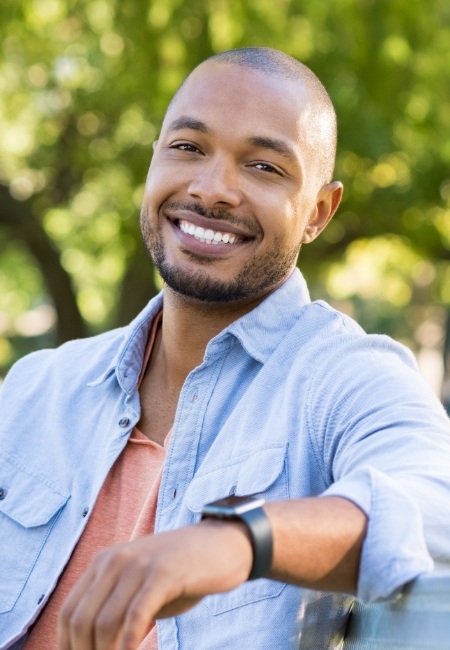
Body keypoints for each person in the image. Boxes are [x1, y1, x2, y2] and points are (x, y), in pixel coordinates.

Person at [1, 47, 450, 650]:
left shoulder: (344, 379)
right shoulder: (37, 388)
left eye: (264, 166)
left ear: (318, 212)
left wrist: (237, 542)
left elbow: (433, 508)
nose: (212, 189)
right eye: (187, 148)